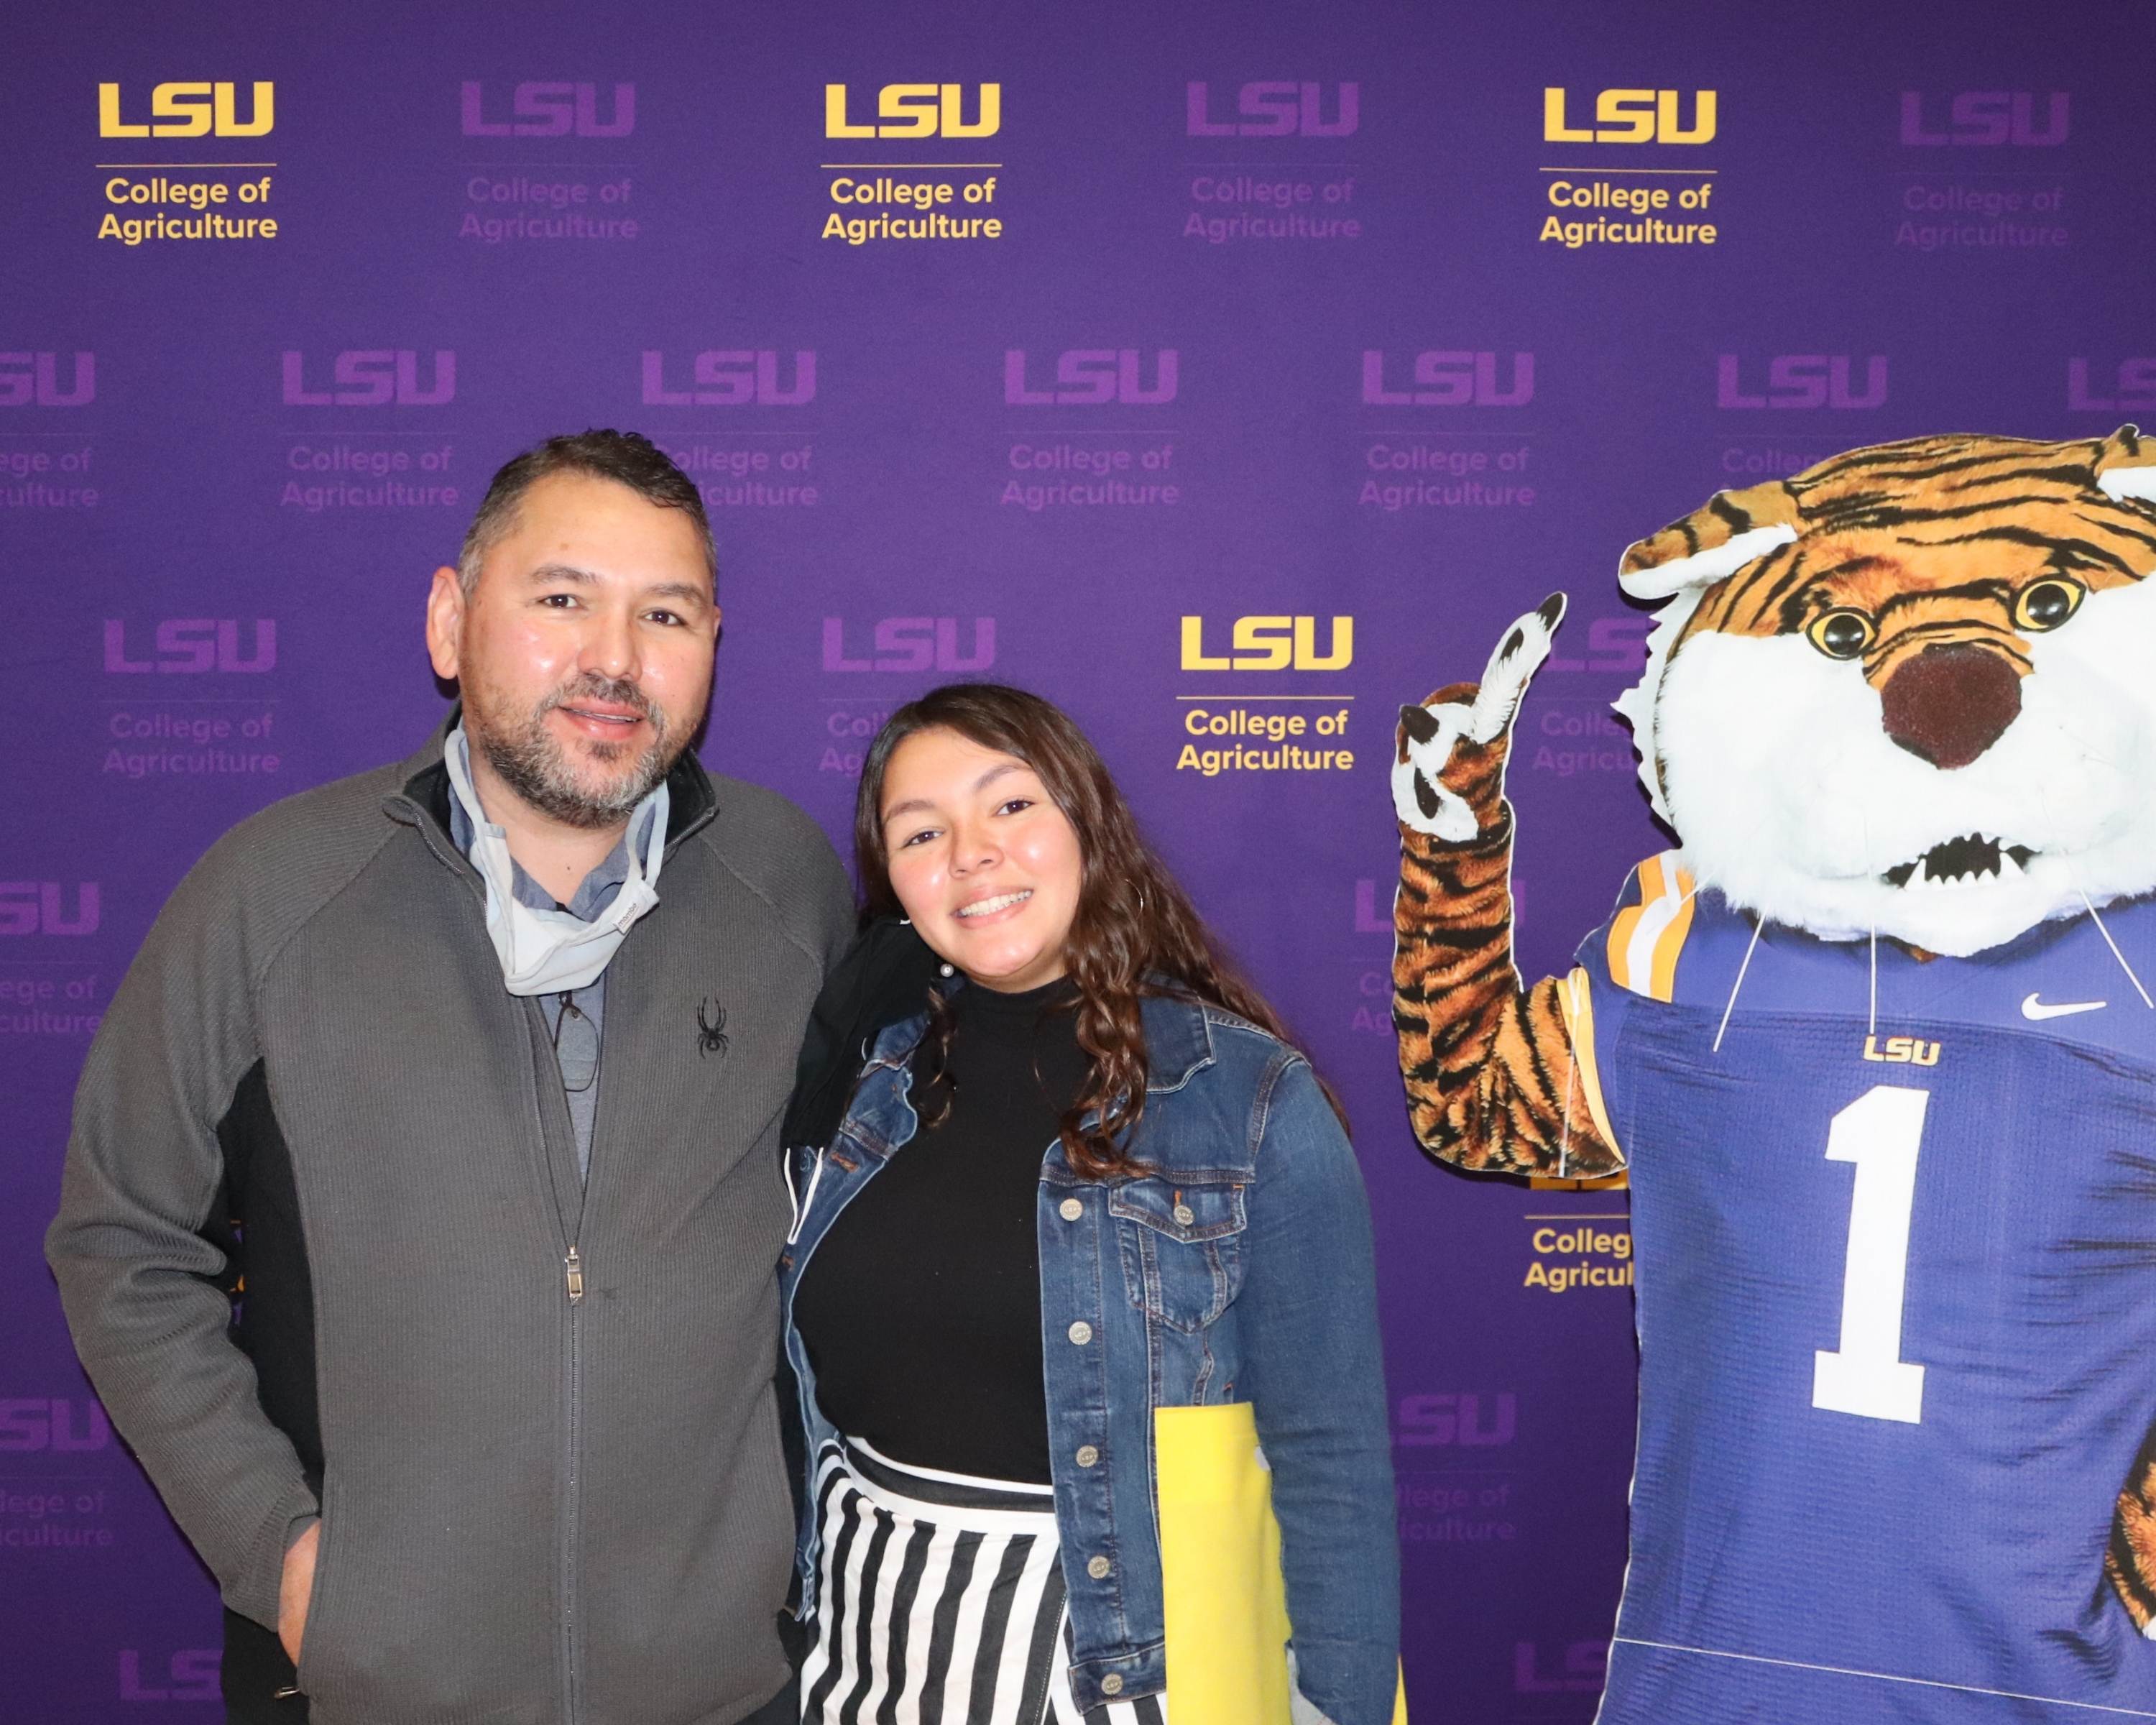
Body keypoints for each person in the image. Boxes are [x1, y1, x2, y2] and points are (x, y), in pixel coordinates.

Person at [47, 431, 854, 1725]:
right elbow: (121, 1243)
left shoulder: (789, 888)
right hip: (374, 1686)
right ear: (449, 617)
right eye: (561, 598)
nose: (616, 656)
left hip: (728, 1689)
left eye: (668, 613)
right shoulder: (271, 896)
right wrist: (295, 1564)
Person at [776, 683, 1399, 1725]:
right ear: (893, 881)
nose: (971, 852)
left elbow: (1330, 1460)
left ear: (1085, 822)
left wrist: (1335, 1708)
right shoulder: (864, 1080)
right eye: (920, 831)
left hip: (1113, 1673)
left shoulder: (1247, 1103)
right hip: (860, 1659)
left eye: (1010, 805)